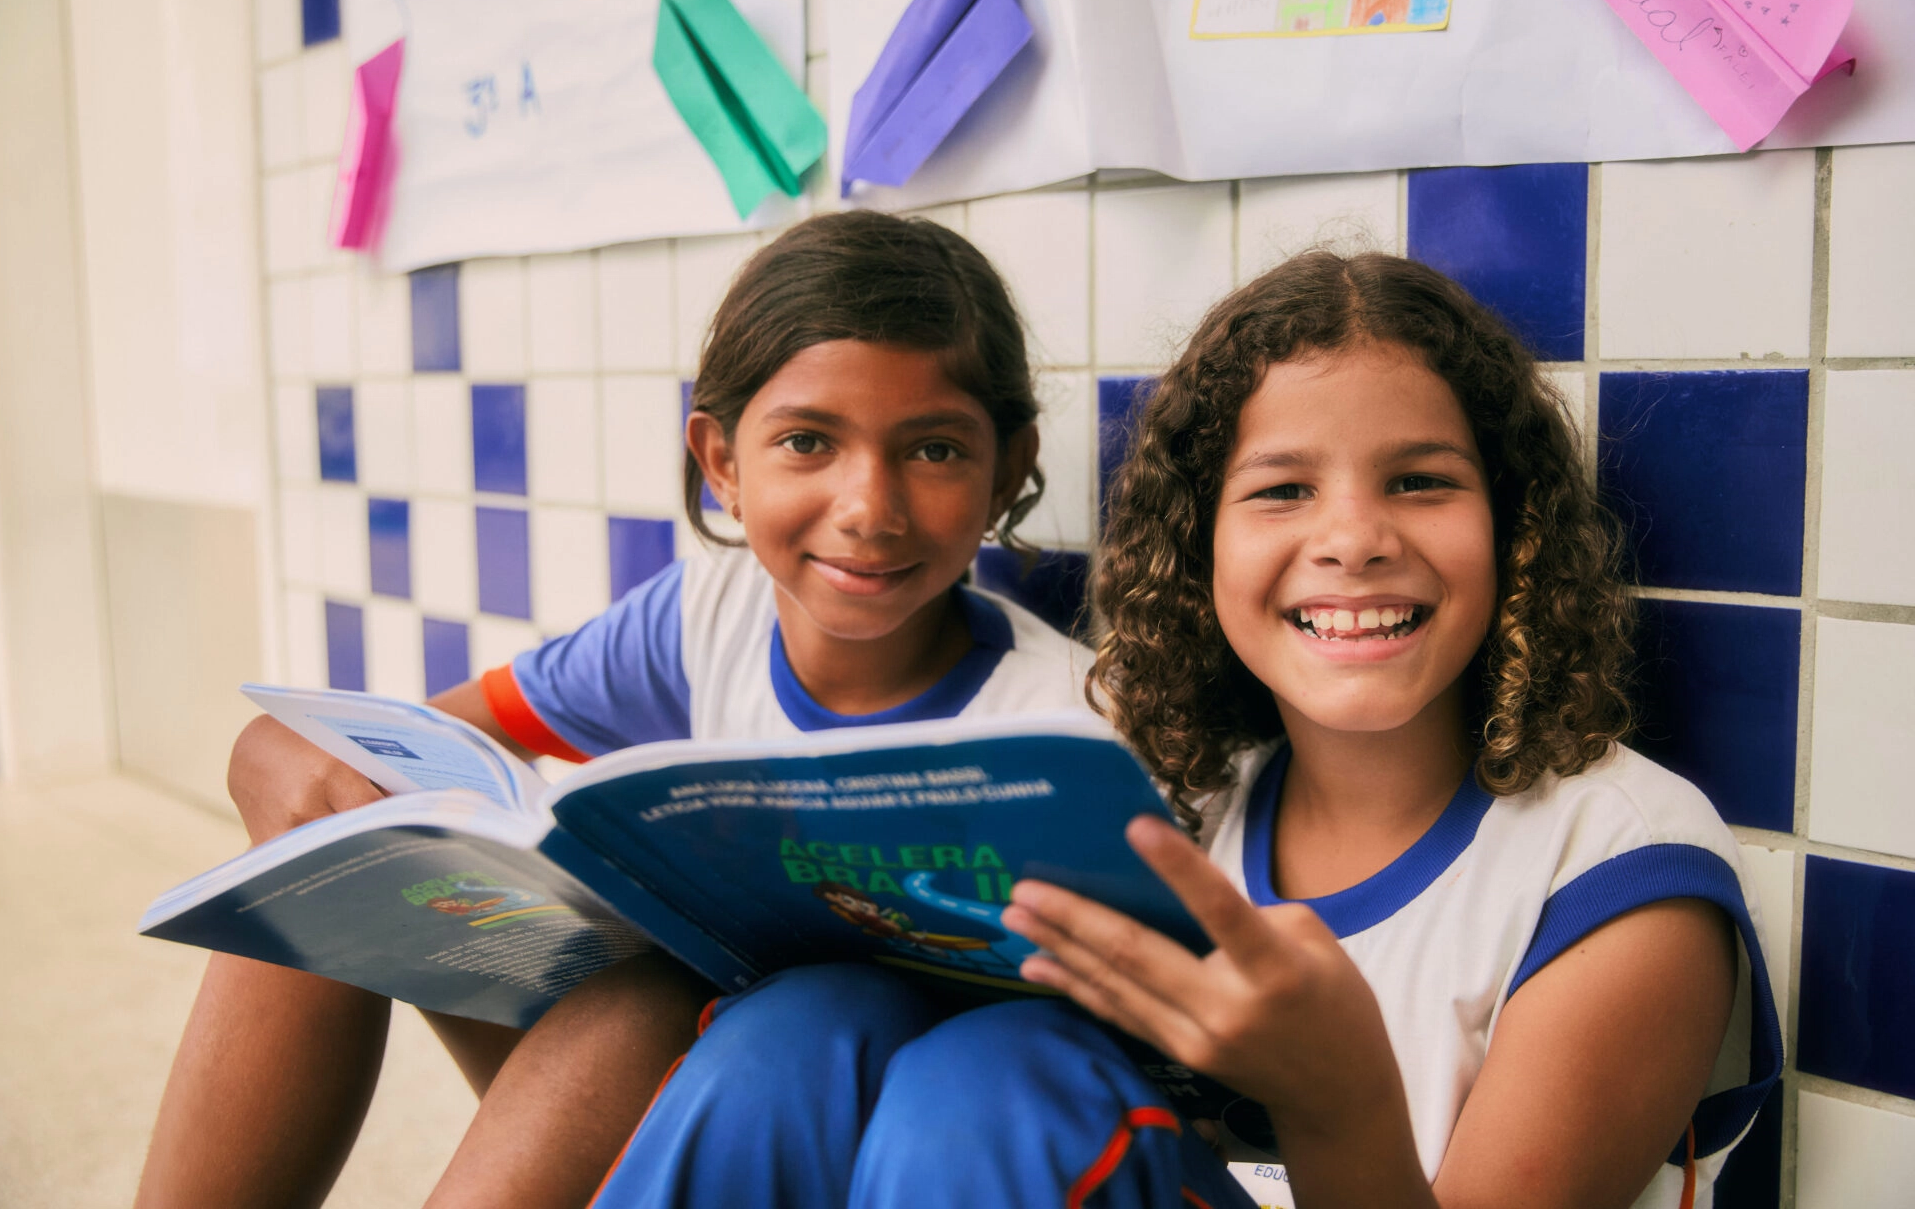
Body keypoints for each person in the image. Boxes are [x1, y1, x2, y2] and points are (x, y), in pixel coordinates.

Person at [587, 251, 1780, 1209]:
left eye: (1419, 480)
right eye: (1281, 490)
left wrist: (1337, 1103)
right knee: (808, 1024)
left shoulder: (1620, 870)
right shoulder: (1171, 809)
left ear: (1512, 527)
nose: (1353, 537)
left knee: (993, 1081)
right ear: (1197, 549)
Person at [134, 211, 1092, 1209]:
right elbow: (399, 747)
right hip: (643, 1082)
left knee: (657, 1000)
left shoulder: (1064, 719)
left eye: (933, 449)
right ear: (720, 460)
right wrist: (279, 760)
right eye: (807, 441)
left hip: (865, 1140)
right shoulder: (700, 614)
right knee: (330, 858)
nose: (868, 505)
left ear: (1011, 467)